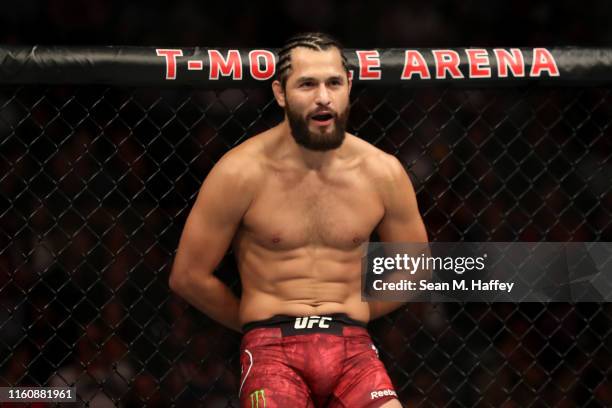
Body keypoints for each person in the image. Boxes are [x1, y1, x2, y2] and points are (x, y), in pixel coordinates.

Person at [169, 32, 428, 408]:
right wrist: (253, 324)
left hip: (353, 348)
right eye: (307, 84)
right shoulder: (240, 171)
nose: (323, 97)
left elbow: (416, 267)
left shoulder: (381, 172)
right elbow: (188, 275)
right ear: (280, 93)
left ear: (349, 87)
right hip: (272, 347)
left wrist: (359, 314)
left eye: (334, 83)